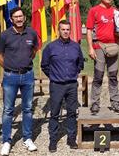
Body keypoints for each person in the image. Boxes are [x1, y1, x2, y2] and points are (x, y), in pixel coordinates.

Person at [0, 7, 38, 156]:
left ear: (24, 17)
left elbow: (34, 51)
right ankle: (6, 141)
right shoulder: (5, 35)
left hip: (28, 76)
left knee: (27, 109)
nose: (19, 19)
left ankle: (27, 138)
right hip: (10, 77)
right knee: (8, 110)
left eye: (21, 16)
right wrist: (9, 67)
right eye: (16, 17)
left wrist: (24, 64)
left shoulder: (32, 33)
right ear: (11, 19)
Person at [41, 20, 84, 152]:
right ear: (58, 31)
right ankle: (53, 140)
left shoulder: (76, 46)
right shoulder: (50, 47)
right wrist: (54, 76)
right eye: (63, 29)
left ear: (70, 31)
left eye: (67, 29)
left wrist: (73, 73)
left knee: (71, 113)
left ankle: (71, 139)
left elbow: (80, 63)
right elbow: (44, 65)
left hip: (71, 85)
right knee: (54, 114)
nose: (65, 32)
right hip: (57, 85)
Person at [86, 0, 119, 115]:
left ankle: (115, 103)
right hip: (99, 47)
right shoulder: (94, 10)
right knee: (98, 76)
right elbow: (89, 30)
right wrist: (90, 48)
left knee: (113, 76)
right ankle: (95, 104)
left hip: (113, 47)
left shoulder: (115, 12)